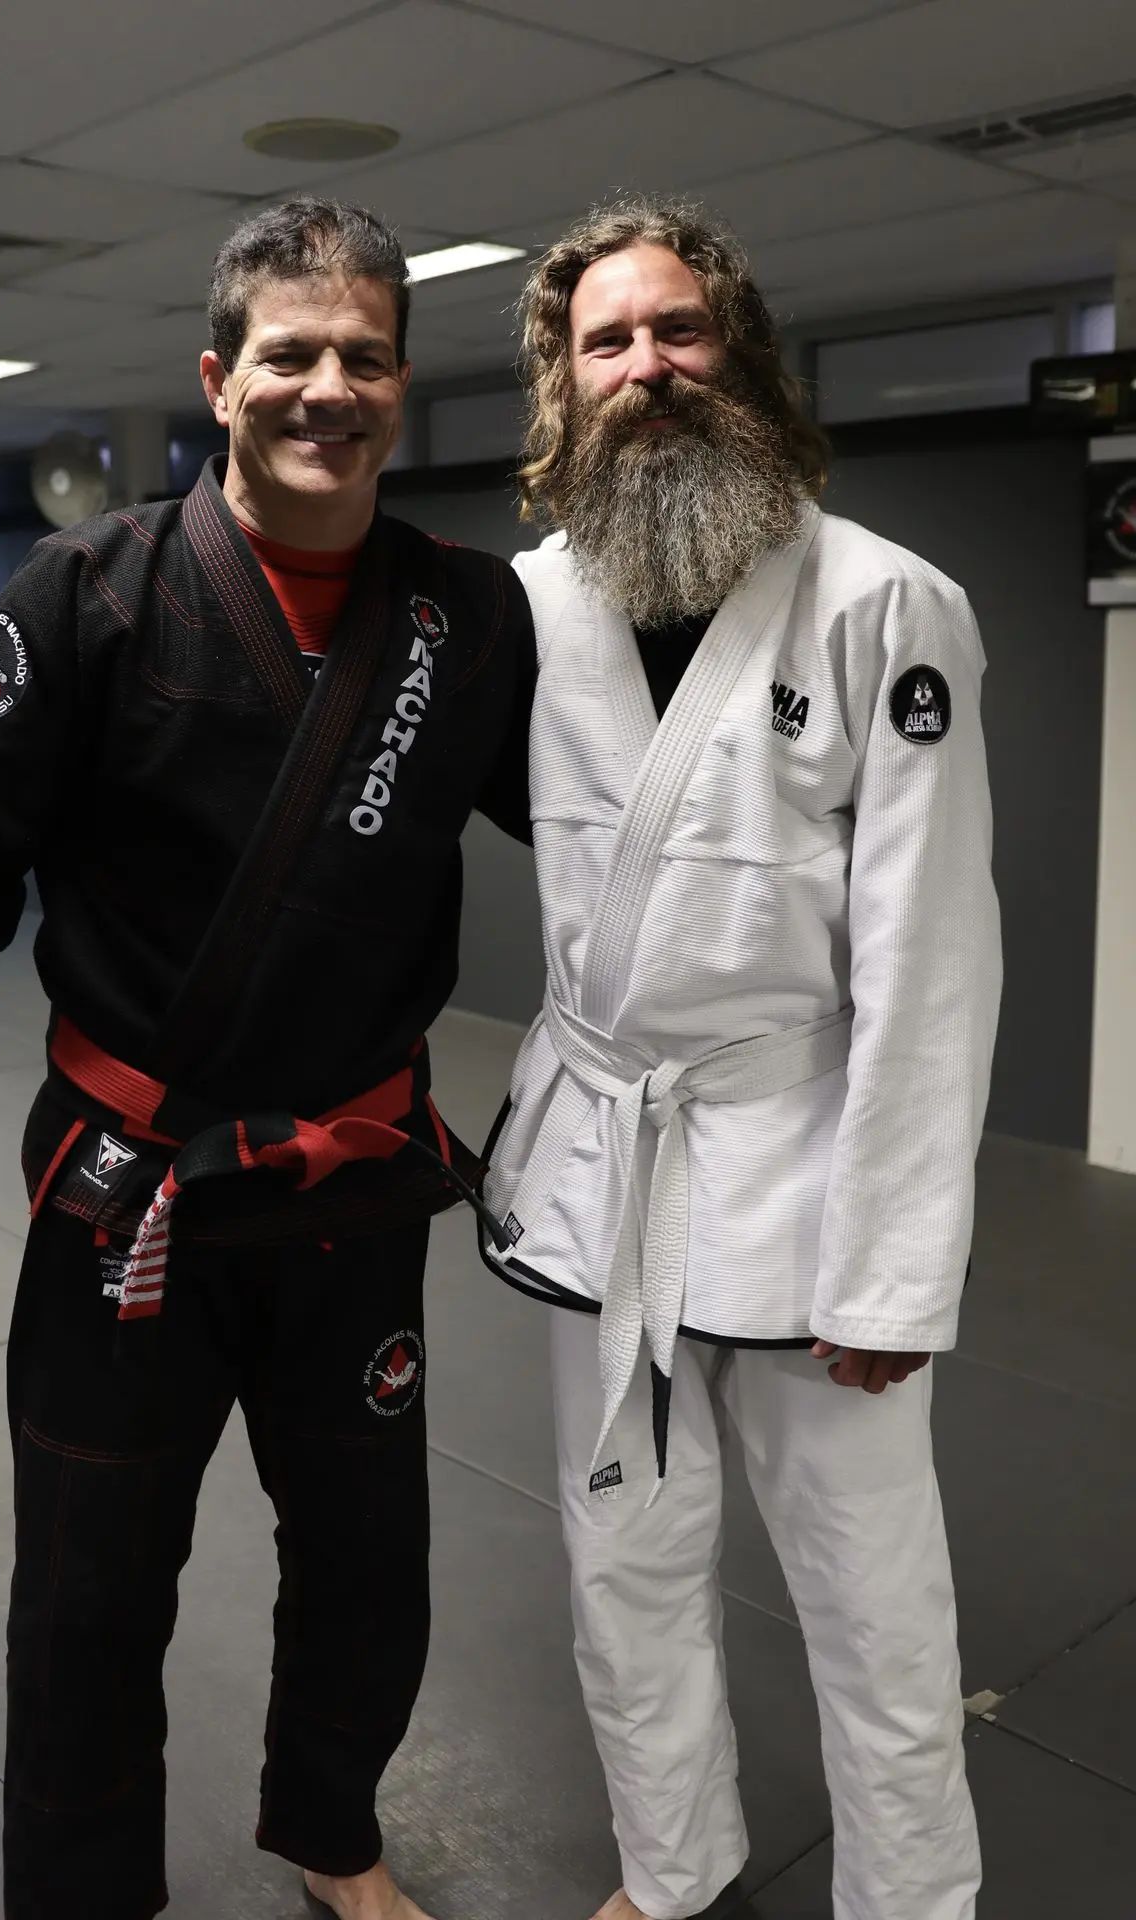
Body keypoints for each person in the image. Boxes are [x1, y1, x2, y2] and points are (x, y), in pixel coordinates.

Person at [0, 198, 533, 1920]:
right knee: (89, 1593)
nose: (330, 387)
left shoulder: (467, 620)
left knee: (372, 1569)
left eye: (364, 357)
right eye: (291, 356)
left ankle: (332, 1834)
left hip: (354, 1188)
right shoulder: (90, 593)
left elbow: (597, 831)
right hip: (126, 1193)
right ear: (221, 379)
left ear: (401, 382)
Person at [481, 197, 1001, 1920]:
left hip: (806, 1175)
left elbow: (933, 974)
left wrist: (897, 1277)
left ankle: (912, 1901)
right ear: (563, 385)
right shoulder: (526, 613)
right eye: (606, 343)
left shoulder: (887, 607)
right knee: (624, 1566)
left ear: (741, 354)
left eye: (678, 331)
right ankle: (673, 1866)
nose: (648, 368)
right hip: (603, 1170)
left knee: (874, 1604)